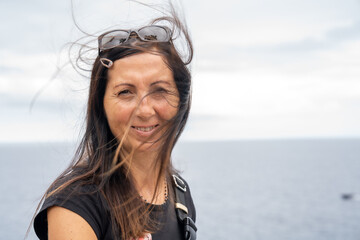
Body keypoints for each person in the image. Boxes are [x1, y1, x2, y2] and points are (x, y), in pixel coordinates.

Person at [32, 10, 196, 240]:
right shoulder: (77, 203)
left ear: (181, 99)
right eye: (126, 92)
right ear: (101, 105)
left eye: (159, 90)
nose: (145, 109)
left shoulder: (179, 192)